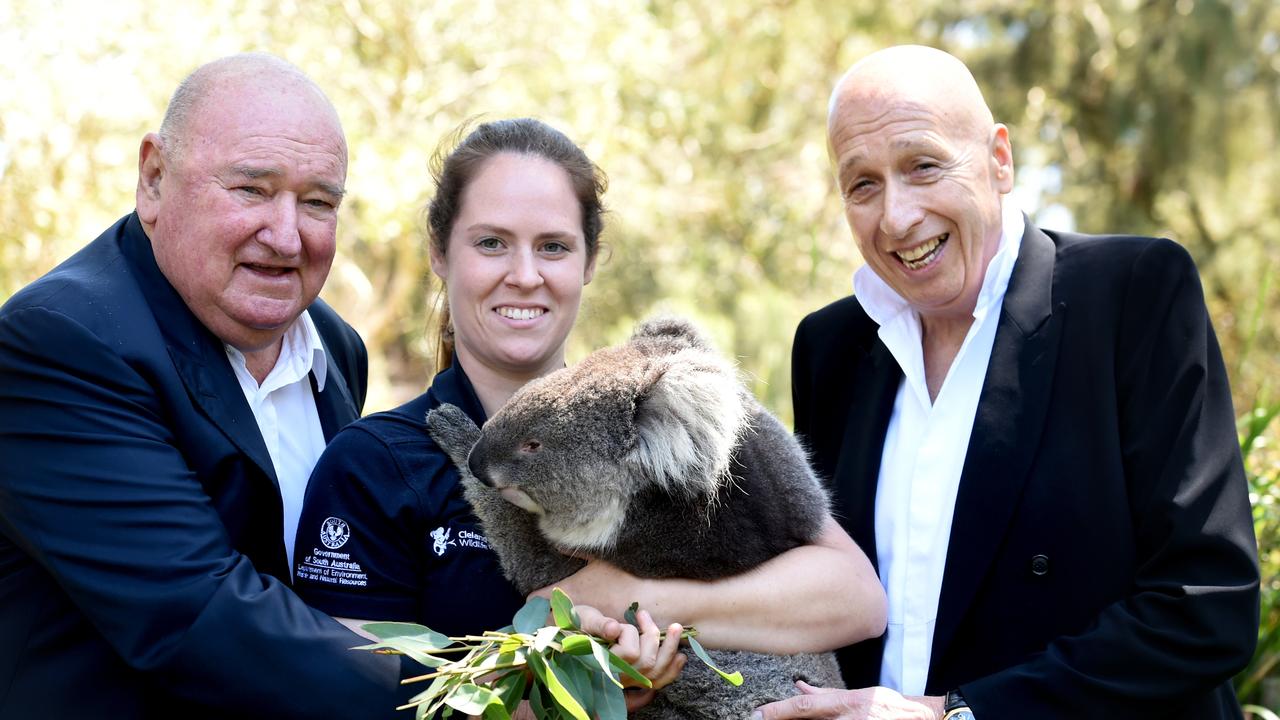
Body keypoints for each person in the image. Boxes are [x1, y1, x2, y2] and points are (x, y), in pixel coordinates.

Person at [292, 118, 887, 710]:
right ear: (439, 253)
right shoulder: (375, 465)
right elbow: (354, 701)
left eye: (553, 246)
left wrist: (623, 596)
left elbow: (857, 598)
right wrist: (586, 689)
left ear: (590, 260)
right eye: (491, 242)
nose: (524, 276)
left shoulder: (655, 417)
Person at [756, 45, 1260, 720]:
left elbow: (1205, 605)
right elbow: (819, 588)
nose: (897, 217)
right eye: (863, 184)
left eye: (923, 165)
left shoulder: (1132, 295)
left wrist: (956, 714)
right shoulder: (831, 348)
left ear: (999, 160)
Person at [0, 54, 401, 718]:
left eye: (318, 202)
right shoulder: (59, 342)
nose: (285, 234)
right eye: (251, 189)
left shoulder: (335, 350)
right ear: (153, 178)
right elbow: (199, 619)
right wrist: (460, 693)